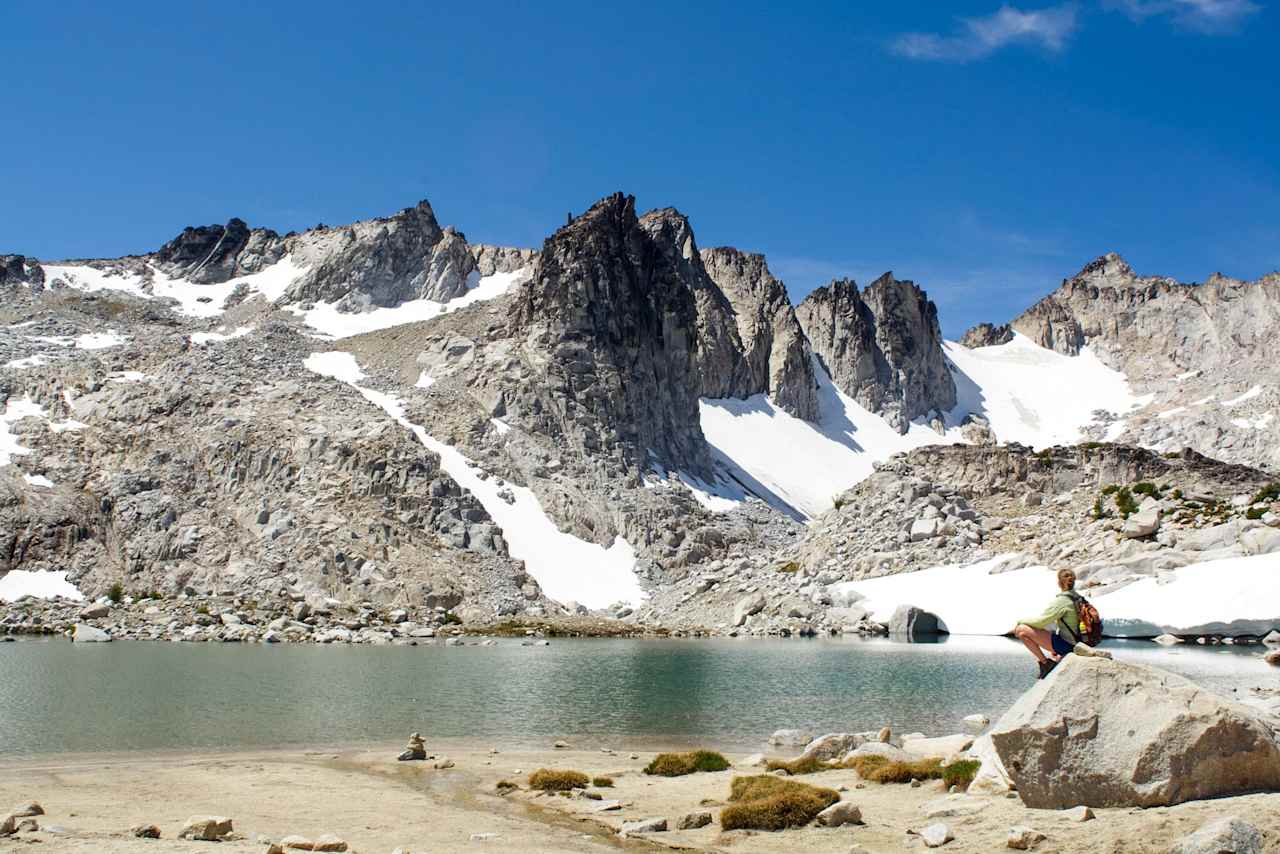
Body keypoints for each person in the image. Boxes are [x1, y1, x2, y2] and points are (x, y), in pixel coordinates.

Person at [1013, 568, 1081, 679]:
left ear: (1059, 582)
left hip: (1068, 645)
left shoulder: (1062, 601)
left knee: (1021, 630)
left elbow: (1041, 622)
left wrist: (1020, 622)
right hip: (1078, 643)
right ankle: (1048, 661)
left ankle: (1046, 663)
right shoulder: (1078, 598)